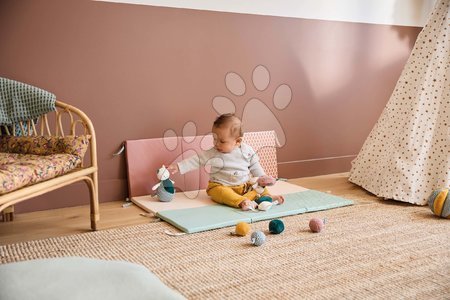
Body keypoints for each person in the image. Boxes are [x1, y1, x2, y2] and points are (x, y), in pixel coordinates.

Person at [168, 113, 284, 210]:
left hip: (243, 186)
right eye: (214, 139)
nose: (216, 144)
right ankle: (242, 202)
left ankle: (268, 197)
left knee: (257, 186)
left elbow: (255, 165)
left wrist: (262, 177)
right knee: (222, 193)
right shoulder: (213, 152)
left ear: (237, 141)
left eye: (222, 141)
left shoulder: (247, 151)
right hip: (220, 186)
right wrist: (179, 166)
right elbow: (197, 160)